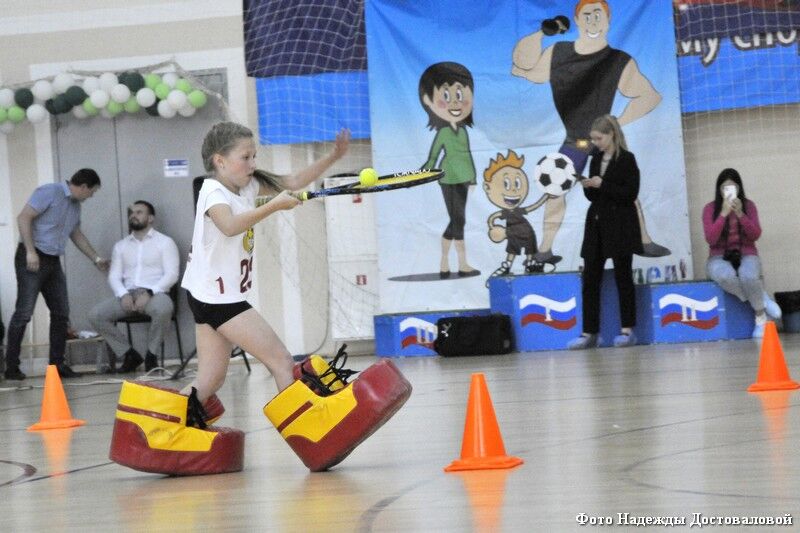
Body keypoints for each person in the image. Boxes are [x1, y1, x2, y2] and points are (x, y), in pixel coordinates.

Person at [180, 121, 349, 408]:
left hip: (208, 295)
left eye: (254, 156)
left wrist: (333, 157)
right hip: (217, 298)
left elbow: (293, 181)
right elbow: (229, 226)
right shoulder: (213, 191)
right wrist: (273, 206)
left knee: (209, 380)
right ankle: (304, 427)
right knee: (282, 362)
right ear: (220, 161)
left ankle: (159, 423)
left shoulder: (248, 186)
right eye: (245, 157)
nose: (252, 164)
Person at [512, 0, 668, 263]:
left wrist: (615, 124)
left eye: (598, 15)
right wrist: (542, 32)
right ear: (577, 20)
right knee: (556, 190)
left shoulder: (618, 60)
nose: (593, 20)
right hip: (575, 140)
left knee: (625, 190)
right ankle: (544, 250)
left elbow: (650, 96)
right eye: (587, 15)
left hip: (604, 142)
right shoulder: (558, 52)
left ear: (608, 21)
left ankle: (644, 241)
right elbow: (523, 66)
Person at [4, 168, 109, 380]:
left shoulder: (75, 206)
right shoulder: (50, 192)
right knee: (24, 313)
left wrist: (96, 258)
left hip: (52, 260)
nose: (91, 196)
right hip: (32, 256)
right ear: (83, 187)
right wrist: (31, 251)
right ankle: (11, 367)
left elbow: (76, 234)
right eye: (92, 192)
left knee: (61, 312)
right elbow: (23, 218)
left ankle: (57, 365)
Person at [568, 115, 641, 349]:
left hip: (620, 225)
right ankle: (589, 332)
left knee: (623, 277)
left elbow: (630, 193)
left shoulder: (627, 159)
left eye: (599, 138)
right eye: (593, 139)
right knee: (590, 278)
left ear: (611, 135)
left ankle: (627, 330)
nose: (596, 143)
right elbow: (594, 196)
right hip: (597, 224)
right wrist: (588, 185)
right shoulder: (596, 159)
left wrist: (603, 184)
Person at [87, 200, 180, 373]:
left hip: (155, 294)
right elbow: (114, 276)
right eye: (131, 213)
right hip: (128, 295)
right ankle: (129, 355)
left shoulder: (165, 242)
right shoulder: (121, 246)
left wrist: (150, 293)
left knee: (164, 308)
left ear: (150, 218)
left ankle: (151, 355)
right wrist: (123, 294)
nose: (133, 216)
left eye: (139, 212)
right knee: (95, 315)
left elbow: (172, 275)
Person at [702, 168, 781, 338]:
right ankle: (762, 300)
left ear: (739, 188)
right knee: (725, 276)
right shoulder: (710, 209)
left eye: (733, 188)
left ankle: (760, 319)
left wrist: (740, 214)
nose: (728, 192)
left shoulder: (749, 206)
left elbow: (755, 235)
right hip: (718, 256)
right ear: (719, 190)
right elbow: (711, 239)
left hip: (746, 252)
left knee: (749, 276)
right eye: (724, 188)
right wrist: (723, 214)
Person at [419, 62, 480, 279]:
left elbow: (467, 154)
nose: (455, 102)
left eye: (459, 95)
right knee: (457, 220)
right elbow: (433, 156)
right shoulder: (443, 132)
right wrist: (423, 173)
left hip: (464, 178)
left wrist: (473, 178)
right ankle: (448, 262)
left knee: (458, 220)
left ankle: (457, 264)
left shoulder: (463, 131)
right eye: (447, 95)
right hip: (448, 179)